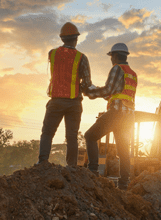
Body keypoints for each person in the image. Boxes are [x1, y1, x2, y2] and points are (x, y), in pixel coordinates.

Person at [37, 22, 92, 166]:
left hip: (55, 101)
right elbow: (86, 83)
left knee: (47, 133)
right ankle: (72, 167)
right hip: (74, 102)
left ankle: (42, 162)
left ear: (62, 38)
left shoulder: (52, 53)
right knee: (72, 137)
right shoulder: (82, 57)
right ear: (76, 39)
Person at [83, 43, 137, 190]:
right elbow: (112, 94)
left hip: (116, 113)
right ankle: (124, 183)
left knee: (90, 136)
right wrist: (96, 90)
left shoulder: (116, 69)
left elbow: (107, 90)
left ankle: (93, 171)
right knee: (123, 149)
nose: (111, 60)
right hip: (128, 116)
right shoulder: (132, 73)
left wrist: (89, 92)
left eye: (111, 56)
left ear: (114, 56)